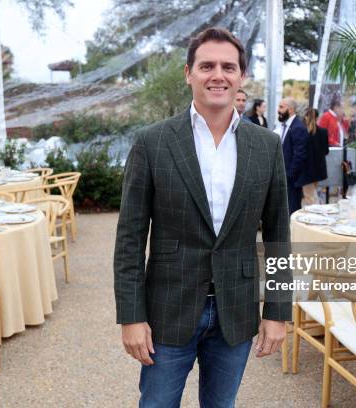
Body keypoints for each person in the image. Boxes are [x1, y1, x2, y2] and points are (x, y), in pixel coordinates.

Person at [114, 27, 291, 408]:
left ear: (242, 76)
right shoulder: (152, 142)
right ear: (188, 73)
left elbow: (278, 235)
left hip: (236, 310)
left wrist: (277, 311)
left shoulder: (266, 146)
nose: (218, 75)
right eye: (206, 65)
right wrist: (131, 316)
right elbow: (129, 239)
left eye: (229, 67)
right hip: (167, 310)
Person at [276, 97, 308, 214]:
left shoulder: (297, 127)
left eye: (281, 107)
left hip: (292, 180)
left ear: (290, 110)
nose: (278, 110)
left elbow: (300, 155)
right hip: (285, 178)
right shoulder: (285, 126)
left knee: (292, 211)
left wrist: (289, 176)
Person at [298, 108, 329, 206]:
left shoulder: (302, 132)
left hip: (306, 170)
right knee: (311, 194)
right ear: (317, 118)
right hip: (318, 169)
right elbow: (326, 151)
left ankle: (317, 216)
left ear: (306, 117)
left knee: (310, 197)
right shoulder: (323, 132)